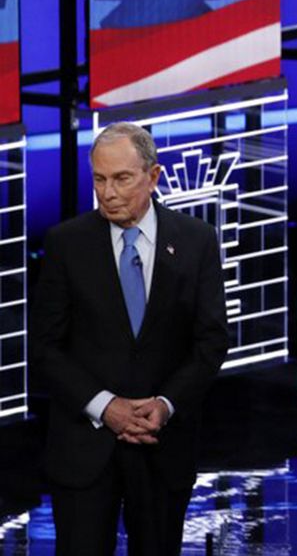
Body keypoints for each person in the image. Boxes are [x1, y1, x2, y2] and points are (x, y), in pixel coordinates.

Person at [31, 122, 229, 554]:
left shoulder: (196, 241)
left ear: (153, 176)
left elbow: (211, 341)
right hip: (85, 450)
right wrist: (106, 407)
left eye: (122, 178)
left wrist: (165, 404)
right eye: (99, 179)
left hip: (163, 446)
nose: (109, 192)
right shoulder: (67, 244)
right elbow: (45, 348)